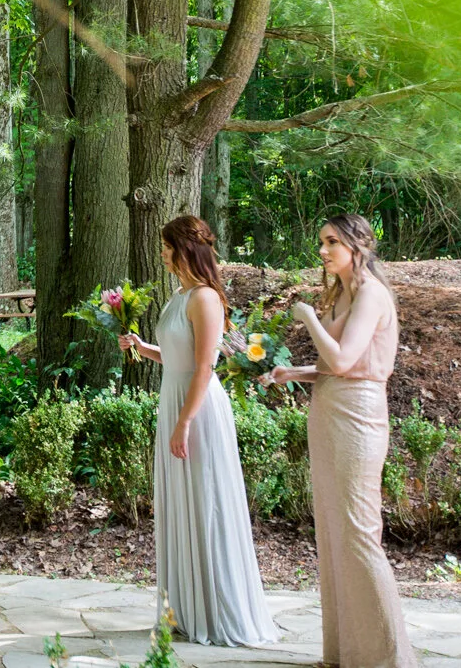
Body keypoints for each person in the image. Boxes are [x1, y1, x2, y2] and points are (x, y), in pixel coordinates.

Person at [266, 214, 417, 668]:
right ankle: (344, 654)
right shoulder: (343, 294)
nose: (324, 250)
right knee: (332, 530)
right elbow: (334, 366)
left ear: (358, 243)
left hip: (359, 416)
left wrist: (309, 318)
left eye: (332, 241)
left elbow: (349, 360)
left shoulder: (372, 294)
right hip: (328, 409)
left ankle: (390, 658)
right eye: (321, 242)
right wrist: (293, 372)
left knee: (358, 531)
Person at [118, 216, 276, 647]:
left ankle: (215, 608)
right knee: (180, 504)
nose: (163, 252)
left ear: (185, 249)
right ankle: (183, 608)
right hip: (174, 399)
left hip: (198, 409)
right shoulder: (178, 297)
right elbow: (175, 356)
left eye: (167, 245)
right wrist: (140, 346)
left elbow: (205, 366)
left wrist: (185, 421)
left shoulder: (204, 299)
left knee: (206, 502)